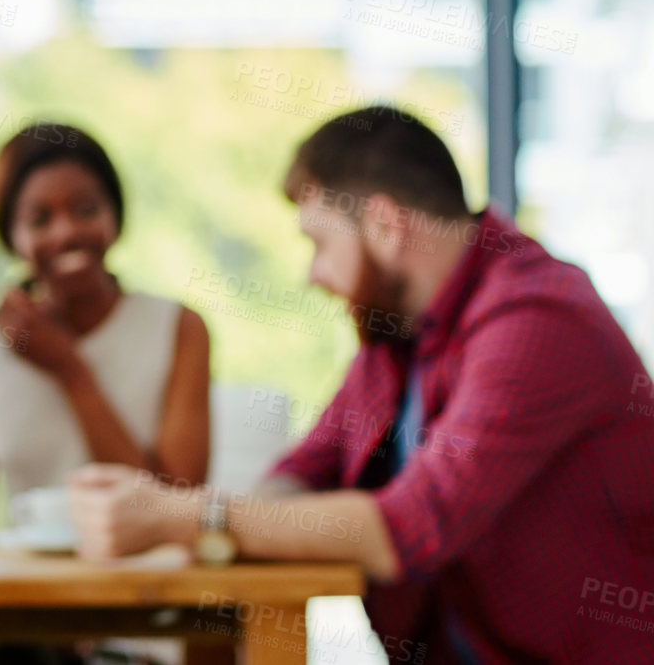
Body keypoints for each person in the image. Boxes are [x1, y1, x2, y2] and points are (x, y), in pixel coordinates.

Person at [67, 105, 654, 664]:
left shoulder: (538, 321)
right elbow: (303, 470)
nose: (313, 275)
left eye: (319, 243)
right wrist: (208, 520)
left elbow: (412, 528)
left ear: (385, 224)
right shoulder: (399, 333)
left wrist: (187, 517)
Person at [0, 123, 210, 665]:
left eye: (86, 208)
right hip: (21, 631)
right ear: (11, 235)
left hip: (142, 623)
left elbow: (175, 507)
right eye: (39, 219)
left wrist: (70, 371)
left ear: (115, 217)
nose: (67, 233)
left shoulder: (179, 329)